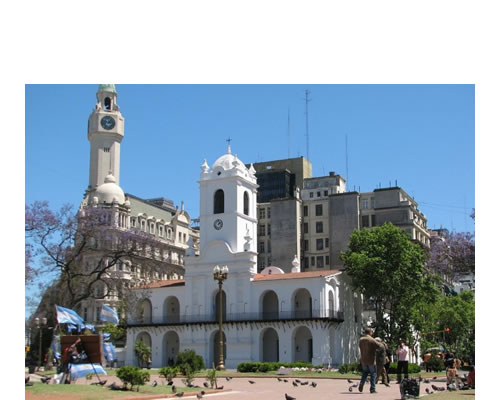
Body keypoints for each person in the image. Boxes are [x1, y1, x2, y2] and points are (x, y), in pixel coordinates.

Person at [359, 328, 385, 394]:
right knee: (373, 374)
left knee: (365, 372)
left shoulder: (361, 340)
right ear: (370, 332)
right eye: (372, 332)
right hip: (371, 359)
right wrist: (382, 344)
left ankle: (362, 383)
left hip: (363, 359)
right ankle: (372, 389)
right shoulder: (371, 339)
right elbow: (379, 346)